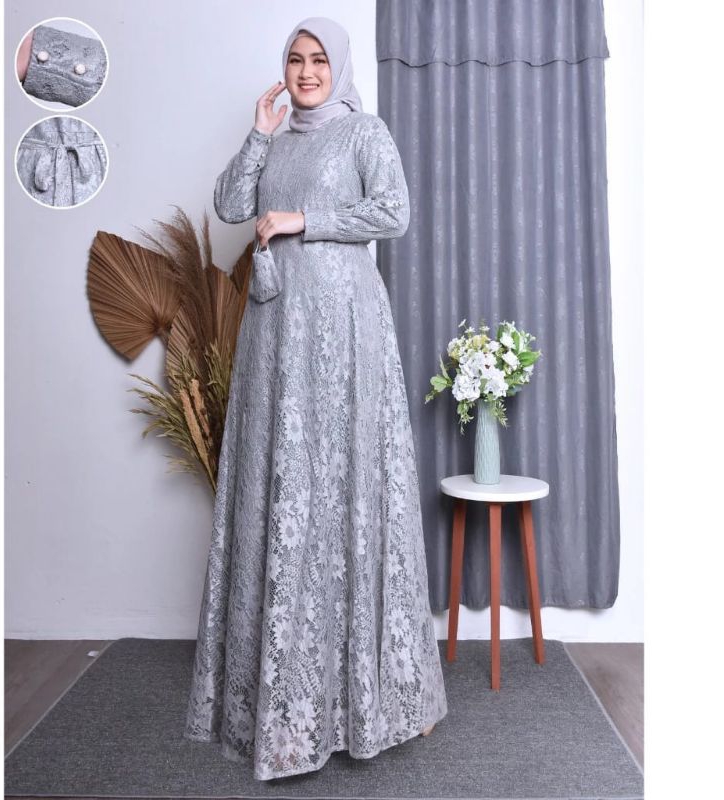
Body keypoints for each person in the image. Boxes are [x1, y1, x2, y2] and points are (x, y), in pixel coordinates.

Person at [184, 16, 448, 781]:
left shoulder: (364, 132)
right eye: (296, 60)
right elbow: (229, 205)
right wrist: (258, 134)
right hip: (275, 336)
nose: (306, 72)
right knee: (285, 489)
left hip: (344, 337)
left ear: (340, 67)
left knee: (339, 490)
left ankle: (366, 697)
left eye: (319, 60)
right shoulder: (275, 139)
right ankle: (283, 699)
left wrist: (307, 220)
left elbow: (393, 212)